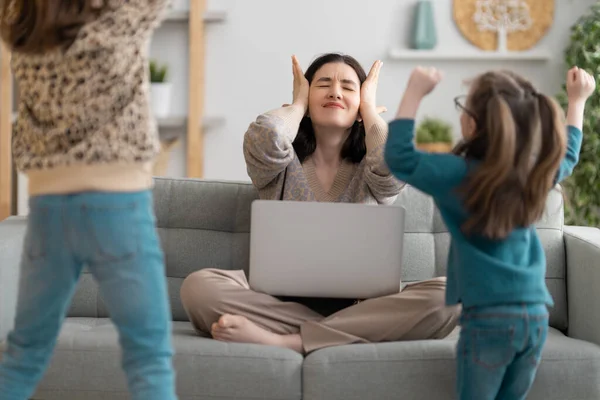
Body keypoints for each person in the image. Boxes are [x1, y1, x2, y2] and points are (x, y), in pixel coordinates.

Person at [180, 53, 461, 354]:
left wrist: (369, 112)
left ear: (360, 107)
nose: (335, 92)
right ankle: (349, 331)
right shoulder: (278, 165)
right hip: (281, 304)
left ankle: (289, 341)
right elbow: (269, 135)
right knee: (198, 287)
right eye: (322, 84)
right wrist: (297, 106)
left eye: (350, 87)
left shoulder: (374, 167)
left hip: (363, 305)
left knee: (451, 294)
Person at [0, 1, 178, 399]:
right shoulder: (122, 12)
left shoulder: (21, 17)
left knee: (24, 353)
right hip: (119, 205)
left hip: (47, 207)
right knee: (148, 356)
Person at [384, 65, 595, 400]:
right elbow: (567, 156)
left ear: (473, 123)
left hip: (489, 323)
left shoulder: (456, 174)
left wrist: (415, 90)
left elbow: (400, 158)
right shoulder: (532, 172)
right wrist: (578, 101)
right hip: (536, 318)